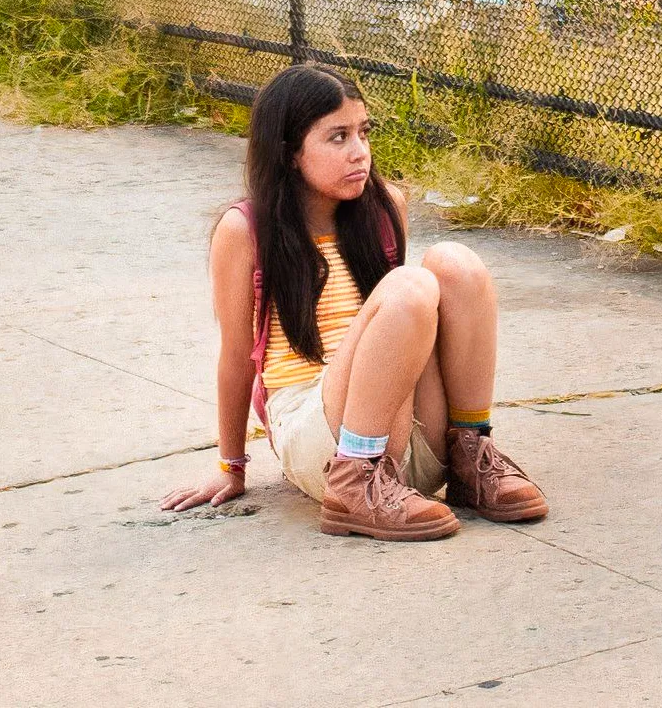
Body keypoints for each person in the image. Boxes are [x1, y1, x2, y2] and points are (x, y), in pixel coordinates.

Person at [155, 65, 548, 538]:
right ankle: (354, 482)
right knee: (410, 286)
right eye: (337, 137)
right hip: (320, 441)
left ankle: (470, 453)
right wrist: (230, 466)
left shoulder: (384, 208)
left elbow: (403, 333)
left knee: (454, 264)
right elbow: (237, 356)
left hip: (402, 439)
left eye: (364, 132)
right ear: (289, 152)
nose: (359, 153)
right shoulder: (244, 231)